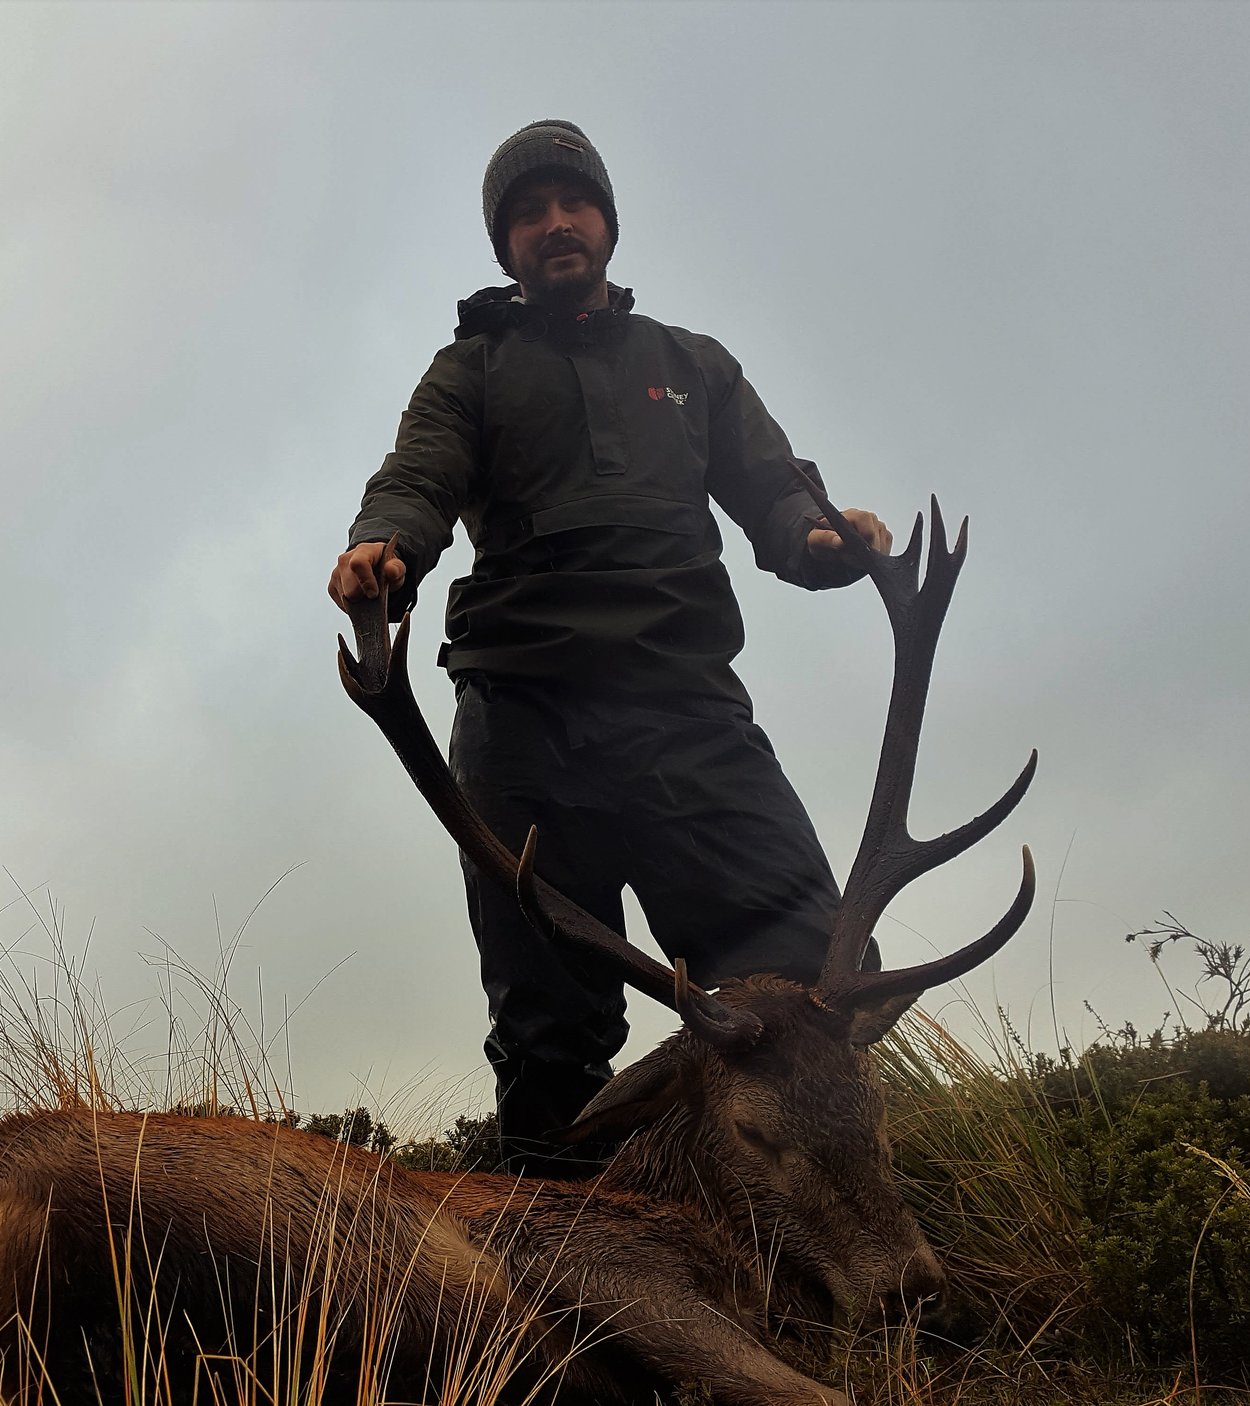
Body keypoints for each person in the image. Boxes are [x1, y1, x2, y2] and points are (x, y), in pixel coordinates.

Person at [329, 120, 894, 1176]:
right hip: (524, 719)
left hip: (686, 709)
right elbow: (420, 473)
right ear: (505, 246)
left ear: (605, 220)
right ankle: (571, 1306)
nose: (554, 225)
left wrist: (820, 539)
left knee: (817, 980)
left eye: (571, 204)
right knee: (550, 1038)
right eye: (528, 213)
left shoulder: (691, 366)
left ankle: (784, 1240)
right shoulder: (472, 369)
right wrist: (386, 544)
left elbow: (776, 490)